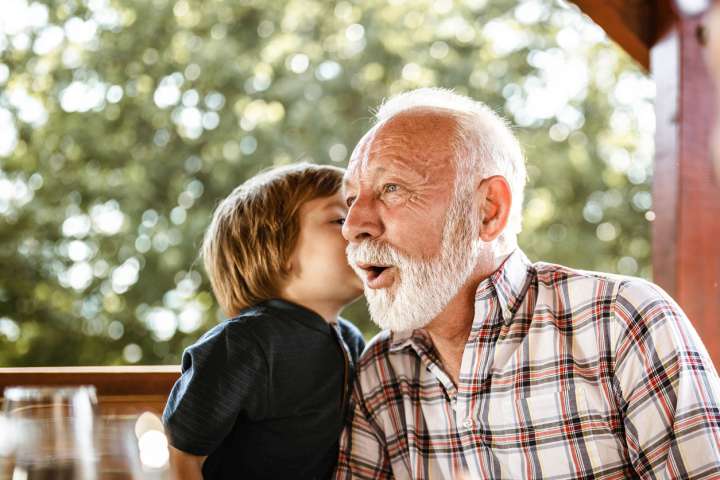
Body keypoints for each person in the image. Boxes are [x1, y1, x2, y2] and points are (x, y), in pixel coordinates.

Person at [335, 88, 720, 479]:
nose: (353, 227)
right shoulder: (380, 371)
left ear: (488, 210)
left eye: (392, 188)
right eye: (351, 200)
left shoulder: (620, 321)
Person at [163, 163, 365, 479]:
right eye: (340, 219)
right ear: (279, 250)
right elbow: (181, 452)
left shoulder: (352, 341)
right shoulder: (245, 343)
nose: (357, 228)